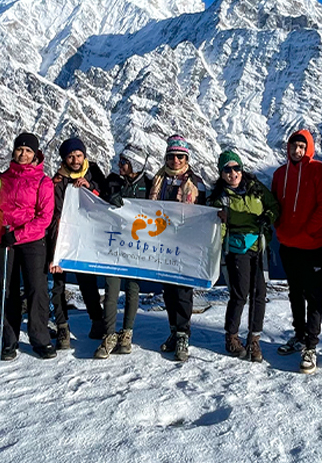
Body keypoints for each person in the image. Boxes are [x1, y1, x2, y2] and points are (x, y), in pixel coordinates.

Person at [208, 150, 280, 363]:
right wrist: (247, 220)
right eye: (227, 170)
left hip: (258, 246)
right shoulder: (219, 198)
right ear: (221, 173)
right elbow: (221, 224)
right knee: (239, 294)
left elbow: (274, 206)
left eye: (236, 168)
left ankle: (254, 339)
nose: (233, 173)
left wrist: (267, 217)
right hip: (236, 249)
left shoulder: (255, 188)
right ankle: (232, 336)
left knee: (259, 294)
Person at [270, 129, 322, 374]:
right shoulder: (279, 174)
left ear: (309, 148)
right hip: (288, 244)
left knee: (314, 296)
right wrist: (280, 228)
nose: (297, 151)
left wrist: (308, 231)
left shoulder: (319, 170)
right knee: (295, 292)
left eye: (301, 146)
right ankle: (298, 335)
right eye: (293, 146)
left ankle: (311, 345)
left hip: (312, 245)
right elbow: (275, 203)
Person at [0, 133, 57, 360]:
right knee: (7, 290)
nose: (23, 154)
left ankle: (40, 338)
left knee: (36, 289)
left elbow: (44, 217)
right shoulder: (2, 178)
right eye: (20, 149)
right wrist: (0, 233)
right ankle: (9, 341)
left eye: (28, 151)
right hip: (4, 240)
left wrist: (17, 235)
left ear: (35, 154)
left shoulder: (43, 181)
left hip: (31, 241)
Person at [151, 134, 207, 362]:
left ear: (186, 158)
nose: (175, 160)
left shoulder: (196, 182)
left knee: (183, 289)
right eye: (172, 156)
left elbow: (204, 210)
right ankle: (174, 330)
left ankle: (184, 332)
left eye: (180, 156)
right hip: (163, 240)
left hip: (186, 242)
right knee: (168, 289)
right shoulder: (158, 179)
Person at [48, 136, 108, 348]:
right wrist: (54, 248)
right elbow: (54, 213)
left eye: (79, 155)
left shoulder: (94, 172)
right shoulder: (57, 180)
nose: (75, 160)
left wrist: (90, 186)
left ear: (85, 155)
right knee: (58, 284)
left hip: (86, 237)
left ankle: (97, 320)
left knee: (87, 281)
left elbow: (107, 198)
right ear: (64, 159)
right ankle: (62, 326)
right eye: (71, 156)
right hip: (63, 238)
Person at [95, 144, 153, 358]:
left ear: (134, 164)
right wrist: (107, 199)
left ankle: (127, 333)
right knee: (111, 288)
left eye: (124, 162)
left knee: (132, 289)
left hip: (137, 246)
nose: (119, 165)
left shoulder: (148, 184)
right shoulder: (112, 181)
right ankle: (109, 334)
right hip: (114, 245)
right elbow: (97, 199)